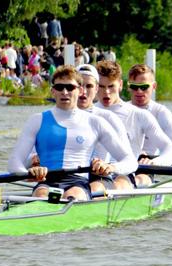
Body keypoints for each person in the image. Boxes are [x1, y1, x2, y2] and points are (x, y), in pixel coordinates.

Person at [8, 65, 138, 201]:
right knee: (41, 195)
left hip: (78, 182)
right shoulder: (36, 120)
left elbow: (130, 162)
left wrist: (111, 167)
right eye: (59, 87)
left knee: (74, 195)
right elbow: (14, 162)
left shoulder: (96, 122)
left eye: (70, 88)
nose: (64, 92)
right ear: (52, 91)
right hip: (47, 181)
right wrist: (28, 173)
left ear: (80, 90)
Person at [95, 60, 172, 186]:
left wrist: (153, 163)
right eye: (101, 87)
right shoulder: (86, 113)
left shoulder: (140, 115)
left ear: (121, 85)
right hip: (95, 174)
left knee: (119, 183)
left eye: (111, 86)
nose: (106, 92)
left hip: (128, 174)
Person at [127, 63, 172, 157]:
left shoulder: (162, 113)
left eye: (144, 87)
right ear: (128, 87)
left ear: (154, 86)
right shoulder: (121, 110)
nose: (139, 91)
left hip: (150, 166)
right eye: (134, 86)